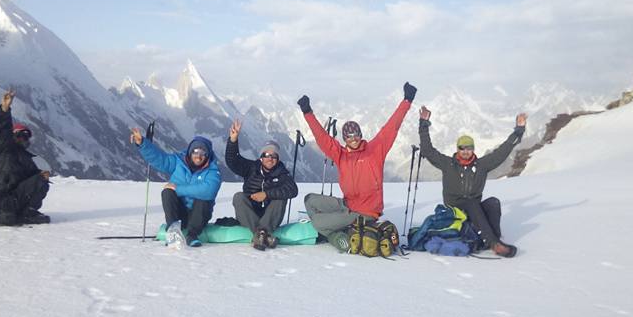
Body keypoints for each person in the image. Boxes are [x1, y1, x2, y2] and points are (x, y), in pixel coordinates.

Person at [297, 82, 416, 251]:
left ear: (360, 135)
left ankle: (335, 235)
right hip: (347, 204)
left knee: (317, 221)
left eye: (356, 135)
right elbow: (322, 138)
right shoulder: (341, 155)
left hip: (364, 213)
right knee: (310, 200)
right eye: (349, 137)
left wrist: (407, 101)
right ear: (345, 139)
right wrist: (307, 112)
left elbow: (391, 127)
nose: (353, 139)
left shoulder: (375, 151)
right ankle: (337, 227)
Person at [417, 105, 526, 257]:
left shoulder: (481, 165)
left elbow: (502, 152)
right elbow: (428, 150)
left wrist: (518, 130)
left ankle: (493, 238)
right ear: (458, 149)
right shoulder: (448, 164)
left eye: (469, 148)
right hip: (454, 207)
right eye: (462, 148)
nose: (466, 151)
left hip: (474, 208)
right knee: (471, 203)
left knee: (493, 202)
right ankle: (494, 245)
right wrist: (424, 124)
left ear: (473, 149)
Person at [129, 128, 220, 248]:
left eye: (203, 153)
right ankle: (173, 230)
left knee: (203, 198)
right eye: (196, 151)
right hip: (180, 212)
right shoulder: (178, 162)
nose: (198, 156)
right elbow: (160, 160)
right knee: (167, 192)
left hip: (199, 215)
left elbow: (208, 191)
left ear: (207, 155)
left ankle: (192, 235)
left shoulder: (213, 171)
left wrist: (178, 188)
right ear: (190, 152)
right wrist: (142, 143)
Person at [224, 119, 298, 251]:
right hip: (250, 214)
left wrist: (266, 194)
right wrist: (233, 141)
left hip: (270, 216)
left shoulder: (282, 174)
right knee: (238, 197)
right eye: (267, 155)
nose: (270, 158)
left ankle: (260, 234)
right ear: (261, 157)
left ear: (278, 159)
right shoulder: (251, 168)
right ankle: (264, 234)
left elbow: (293, 190)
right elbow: (232, 161)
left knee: (281, 198)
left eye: (274, 156)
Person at [0, 90, 51, 224]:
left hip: (13, 198)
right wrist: (5, 110)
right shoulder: (4, 147)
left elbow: (32, 175)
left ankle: (27, 211)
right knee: (39, 180)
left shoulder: (24, 156)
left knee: (41, 179)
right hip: (1, 199)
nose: (23, 139)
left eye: (26, 136)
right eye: (20, 135)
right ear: (13, 135)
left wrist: (42, 175)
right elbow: (4, 132)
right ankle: (25, 212)